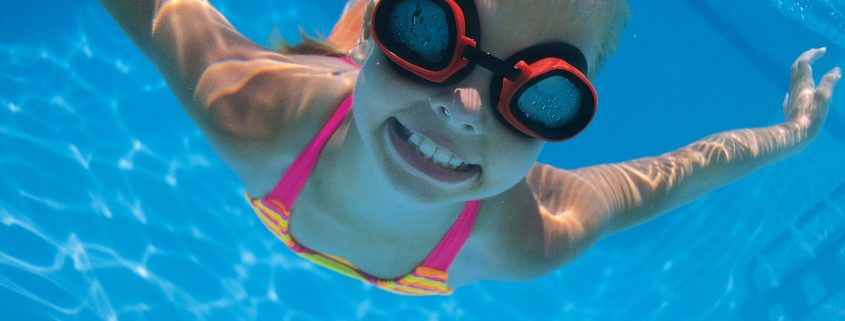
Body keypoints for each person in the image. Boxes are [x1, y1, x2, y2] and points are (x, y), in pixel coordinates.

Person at [100, 0, 841, 295]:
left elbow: (668, 179)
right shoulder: (256, 111)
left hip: (363, 95)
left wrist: (791, 135)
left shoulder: (522, 235)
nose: (463, 110)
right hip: (335, 88)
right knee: (346, 51)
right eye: (424, 32)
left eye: (537, 96)